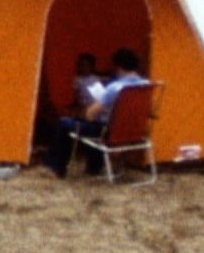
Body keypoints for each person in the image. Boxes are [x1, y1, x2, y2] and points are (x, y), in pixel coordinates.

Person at [41, 48, 148, 178]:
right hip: (136, 132)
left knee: (65, 123)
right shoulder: (146, 85)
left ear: (118, 66)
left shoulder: (115, 88)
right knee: (98, 125)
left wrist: (80, 112)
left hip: (110, 132)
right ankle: (94, 167)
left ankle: (55, 167)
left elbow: (90, 115)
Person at [69, 52, 99, 118]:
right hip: (81, 105)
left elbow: (98, 99)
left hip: (91, 106)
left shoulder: (95, 80)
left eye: (86, 65)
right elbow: (76, 95)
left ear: (92, 67)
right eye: (81, 65)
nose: (83, 68)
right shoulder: (77, 79)